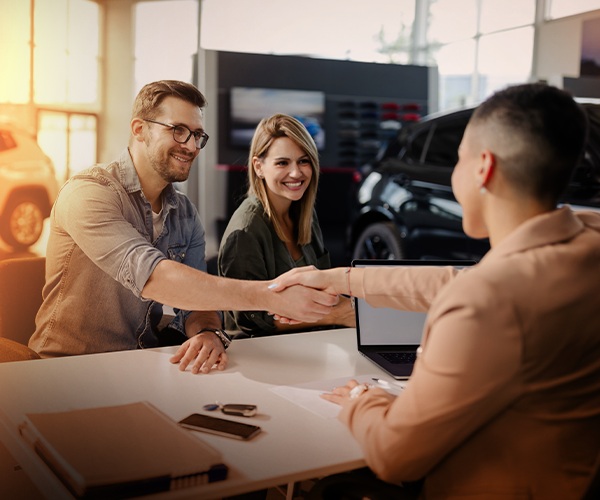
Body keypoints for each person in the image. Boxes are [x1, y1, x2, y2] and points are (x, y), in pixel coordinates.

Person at [273, 83, 600, 498]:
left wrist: (361, 400)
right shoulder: (588, 241)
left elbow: (394, 455)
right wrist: (342, 279)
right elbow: (461, 279)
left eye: (457, 159)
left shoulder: (487, 302)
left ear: (483, 168)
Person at [29, 80, 336, 374]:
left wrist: (206, 332)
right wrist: (271, 296)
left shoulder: (185, 213)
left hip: (140, 366)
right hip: (66, 369)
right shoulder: (89, 193)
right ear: (139, 129)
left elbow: (198, 306)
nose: (190, 146)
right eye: (178, 131)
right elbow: (155, 278)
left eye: (197, 135)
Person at [218, 113, 354, 336]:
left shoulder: (304, 214)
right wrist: (339, 314)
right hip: (262, 354)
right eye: (282, 162)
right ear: (258, 167)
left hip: (313, 342)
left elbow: (324, 285)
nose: (296, 173)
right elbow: (252, 323)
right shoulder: (245, 231)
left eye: (304, 160)